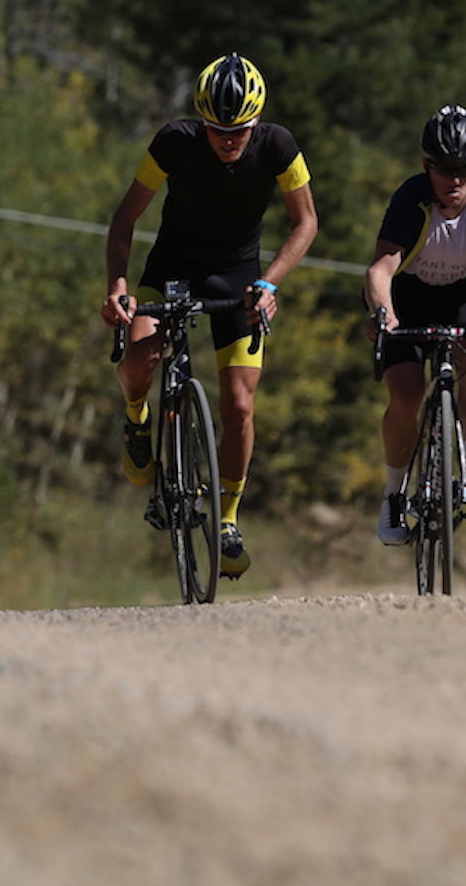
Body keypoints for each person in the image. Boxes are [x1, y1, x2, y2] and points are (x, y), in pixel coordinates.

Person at [100, 53, 319, 580]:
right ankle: (137, 419)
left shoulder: (279, 146)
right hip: (172, 266)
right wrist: (118, 287)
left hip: (238, 275)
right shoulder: (174, 142)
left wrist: (270, 283)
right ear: (202, 122)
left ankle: (227, 520)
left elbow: (306, 222)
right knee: (139, 357)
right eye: (217, 129)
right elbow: (126, 217)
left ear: (255, 122)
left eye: (239, 130)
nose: (228, 139)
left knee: (239, 404)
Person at [364, 104, 466, 547]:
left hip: (461, 295)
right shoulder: (409, 200)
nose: (454, 181)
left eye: (464, 170)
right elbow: (380, 270)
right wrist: (382, 312)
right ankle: (394, 495)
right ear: (426, 166)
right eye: (444, 169)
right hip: (408, 296)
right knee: (406, 394)